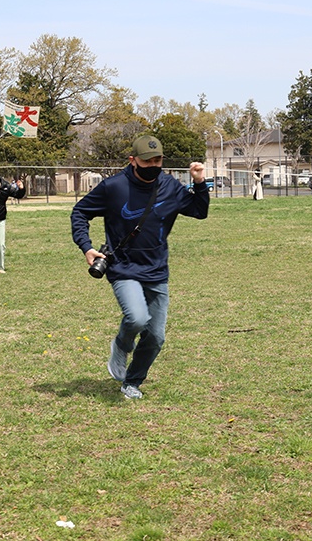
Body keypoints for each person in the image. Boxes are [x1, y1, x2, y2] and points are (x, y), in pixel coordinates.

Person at [70, 135, 210, 400]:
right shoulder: (114, 187)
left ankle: (132, 381)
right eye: (147, 161)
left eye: (158, 160)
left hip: (157, 269)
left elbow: (198, 211)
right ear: (132, 160)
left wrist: (199, 183)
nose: (154, 165)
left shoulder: (169, 185)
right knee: (136, 318)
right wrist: (86, 246)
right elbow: (79, 212)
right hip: (123, 267)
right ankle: (121, 345)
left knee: (156, 337)